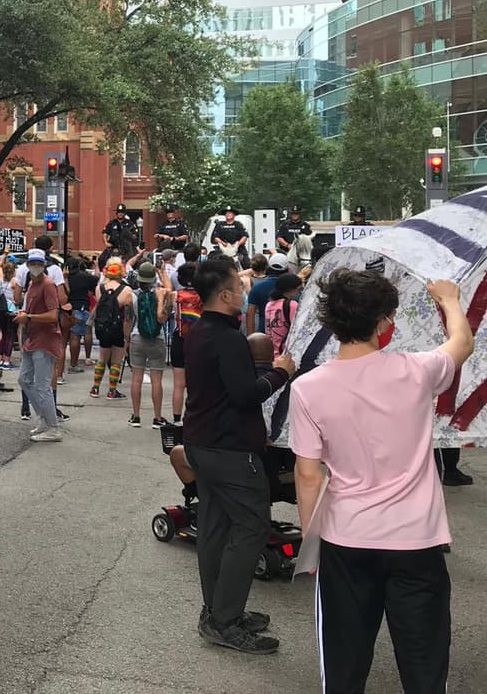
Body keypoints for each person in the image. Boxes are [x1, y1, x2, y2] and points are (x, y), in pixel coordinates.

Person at [291, 271, 472, 693]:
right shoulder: (418, 370)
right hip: (416, 541)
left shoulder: (308, 388)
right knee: (424, 662)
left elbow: (307, 474)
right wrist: (449, 300)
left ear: (330, 321)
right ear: (385, 321)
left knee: (344, 662)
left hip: (346, 539)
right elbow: (461, 344)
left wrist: (310, 543)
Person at [184, 257, 293, 654]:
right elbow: (246, 394)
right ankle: (225, 620)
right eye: (240, 286)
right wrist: (280, 372)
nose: (245, 290)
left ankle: (218, 610)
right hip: (229, 448)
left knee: (215, 529)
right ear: (226, 295)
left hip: (203, 443)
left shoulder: (199, 332)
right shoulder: (228, 339)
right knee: (250, 527)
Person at [16, 249, 65, 442]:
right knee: (24, 380)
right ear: (28, 265)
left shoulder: (48, 285)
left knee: (42, 385)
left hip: (45, 340)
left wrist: (28, 317)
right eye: (32, 263)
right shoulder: (31, 284)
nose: (35, 267)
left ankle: (53, 427)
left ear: (44, 265)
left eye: (39, 264)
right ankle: (44, 418)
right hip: (32, 338)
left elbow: (54, 315)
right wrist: (24, 314)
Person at [128, 261, 174, 428]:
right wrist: (162, 272)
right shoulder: (160, 294)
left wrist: (127, 339)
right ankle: (157, 417)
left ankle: (136, 416)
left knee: (136, 379)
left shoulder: (132, 295)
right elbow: (170, 291)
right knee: (156, 380)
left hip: (137, 337)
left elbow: (128, 319)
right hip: (157, 339)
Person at [90, 259, 134, 399]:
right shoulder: (127, 290)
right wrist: (127, 336)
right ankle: (112, 390)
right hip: (118, 328)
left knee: (102, 358)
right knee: (116, 360)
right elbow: (127, 317)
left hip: (102, 327)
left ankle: (95, 388)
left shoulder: (99, 288)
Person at [169, 262, 202, 425]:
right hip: (198, 341)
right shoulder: (204, 296)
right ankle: (194, 417)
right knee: (196, 384)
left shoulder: (175, 295)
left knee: (178, 384)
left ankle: (176, 419)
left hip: (179, 339)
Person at [64, 257, 97, 379]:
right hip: (84, 307)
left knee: (74, 337)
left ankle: (73, 363)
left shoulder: (65, 278)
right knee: (86, 333)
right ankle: (81, 360)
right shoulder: (84, 276)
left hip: (71, 308)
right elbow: (96, 280)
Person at [246, 253, 289, 334]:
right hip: (287, 335)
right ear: (287, 269)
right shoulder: (292, 288)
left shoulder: (257, 288)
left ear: (268, 267)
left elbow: (250, 314)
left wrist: (250, 338)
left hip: (264, 332)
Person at [263, 273, 302, 356]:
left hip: (272, 354)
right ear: (290, 289)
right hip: (286, 354)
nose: (300, 293)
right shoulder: (292, 305)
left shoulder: (269, 304)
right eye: (299, 289)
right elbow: (298, 331)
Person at [0, 258, 18, 370]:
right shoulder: (14, 282)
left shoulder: (1, 279)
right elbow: (17, 298)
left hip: (0, 309)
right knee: (10, 335)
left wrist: (5, 254)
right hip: (11, 309)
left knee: (3, 334)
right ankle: (7, 360)